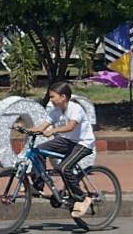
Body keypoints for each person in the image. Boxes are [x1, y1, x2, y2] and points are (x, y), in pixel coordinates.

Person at [26, 82, 96, 217]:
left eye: (52, 97)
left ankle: (82, 198)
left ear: (63, 97)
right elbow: (41, 127)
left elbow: (71, 127)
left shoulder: (75, 109)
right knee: (38, 151)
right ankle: (38, 186)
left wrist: (53, 130)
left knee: (64, 168)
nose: (50, 100)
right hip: (67, 141)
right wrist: (26, 130)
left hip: (83, 143)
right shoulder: (56, 111)